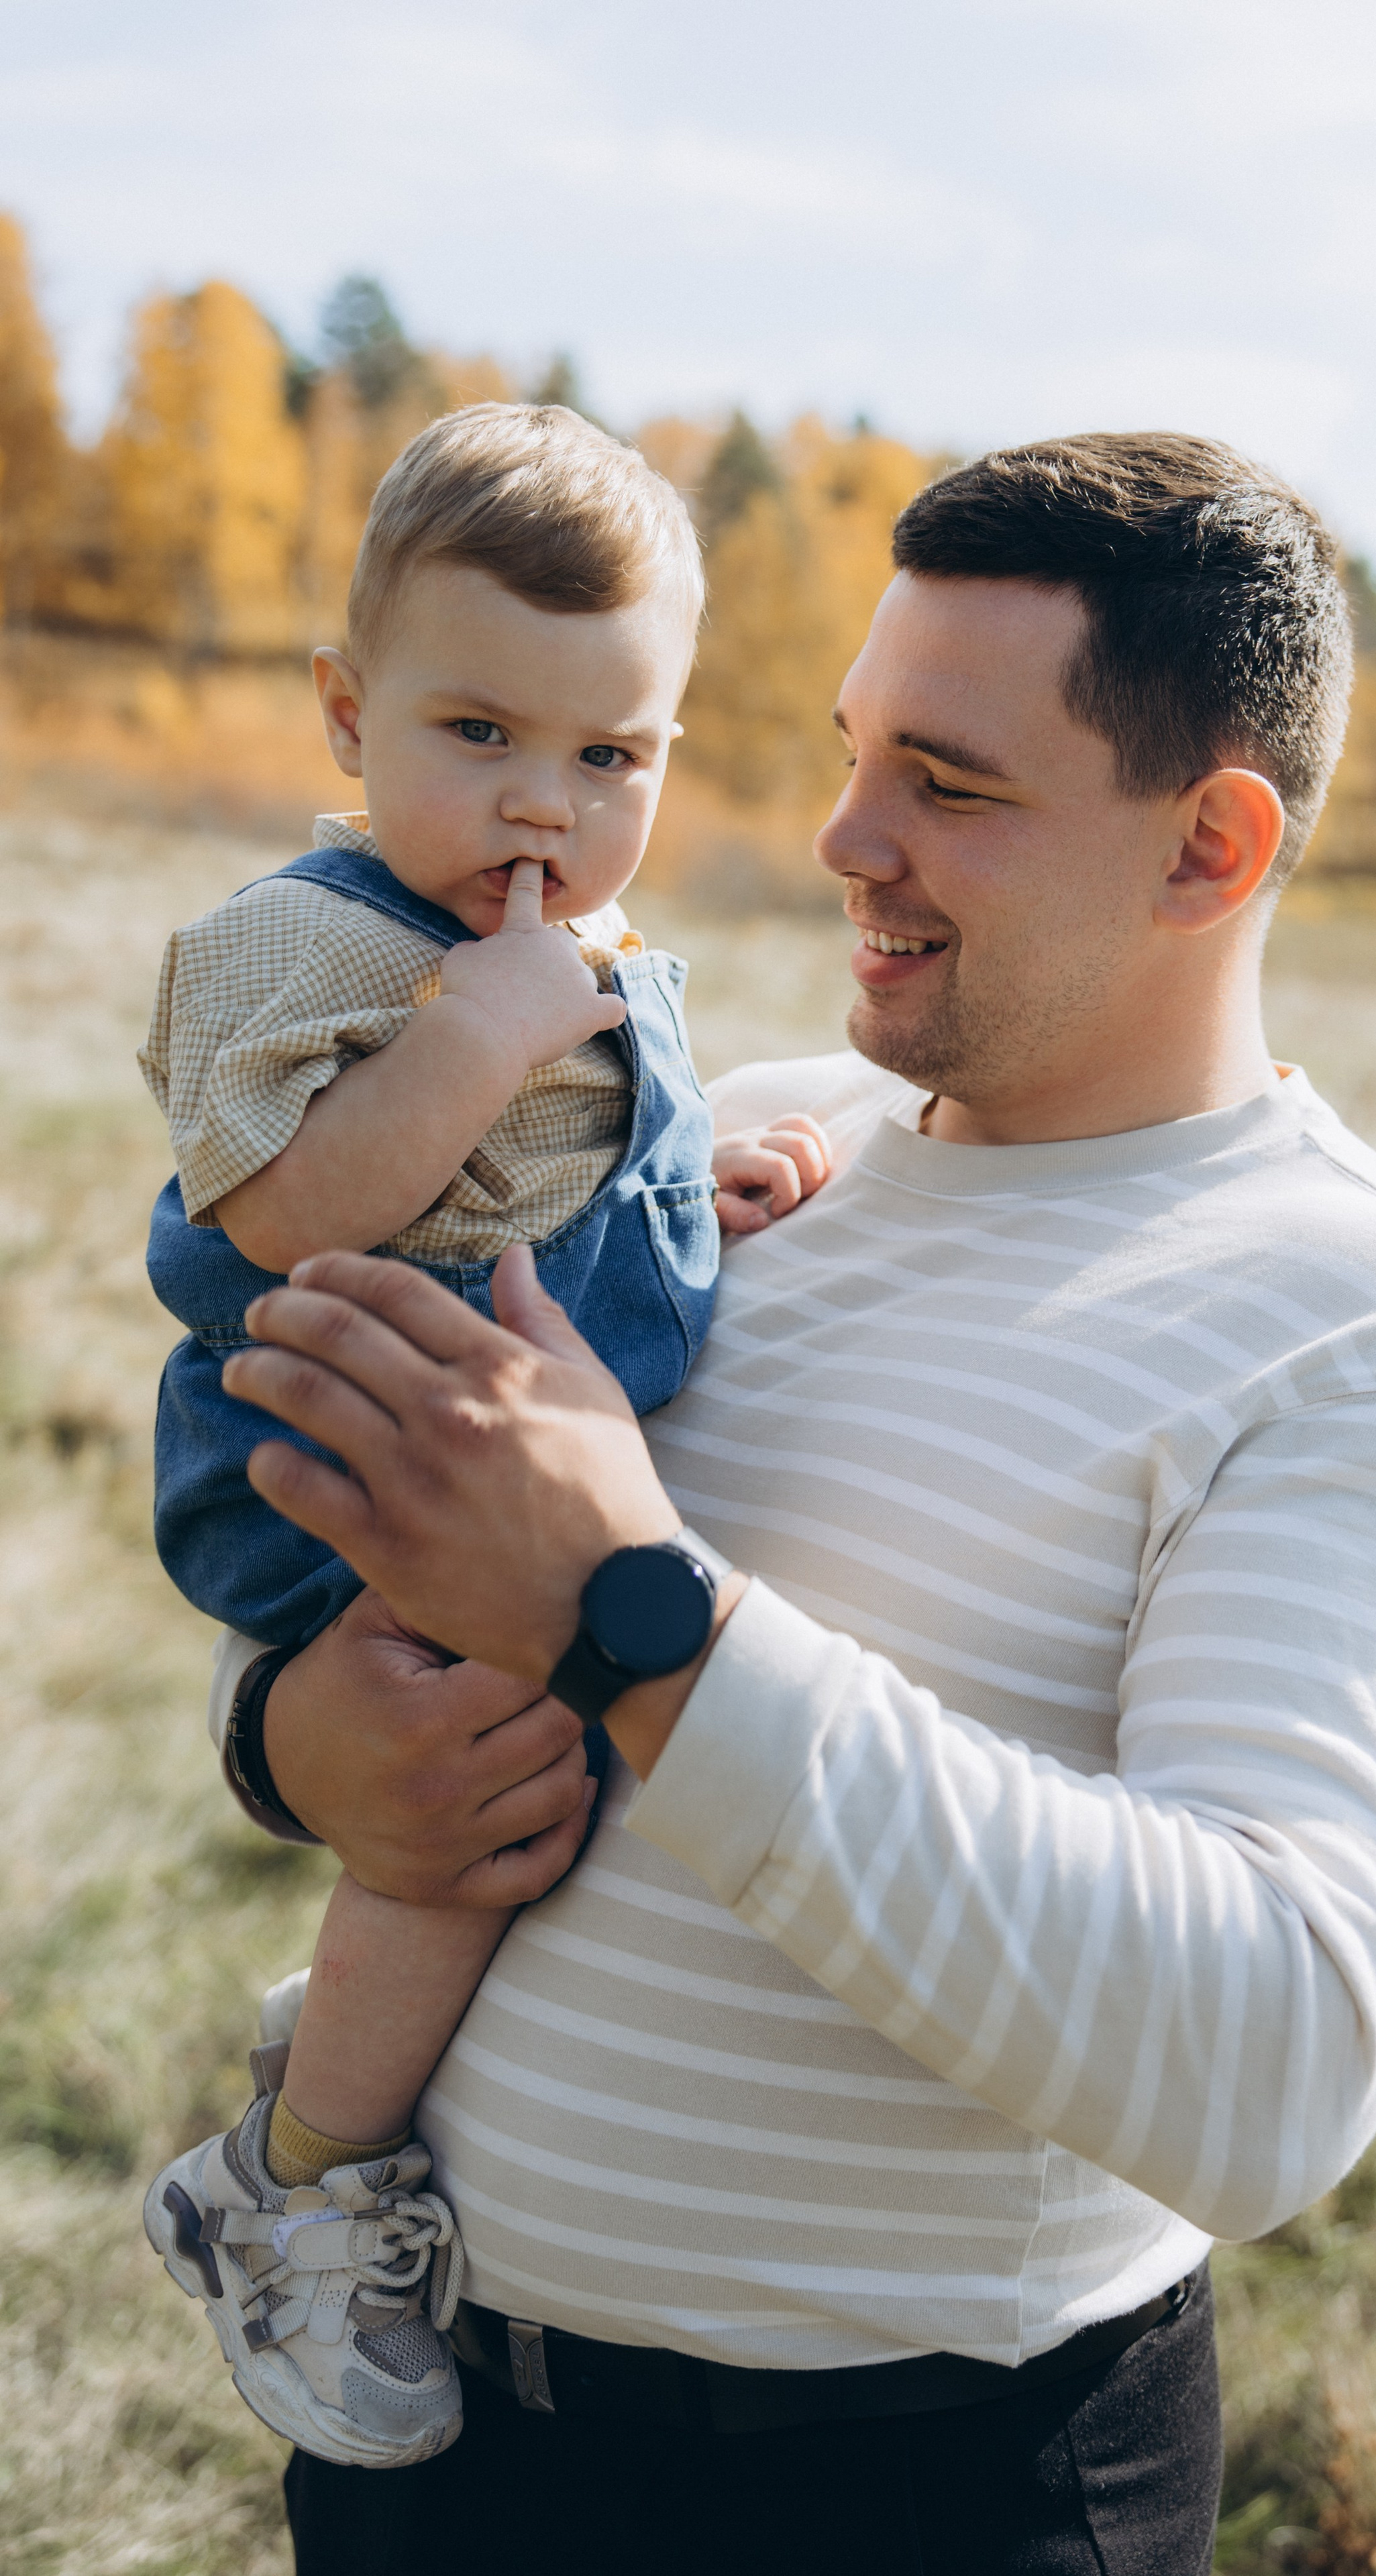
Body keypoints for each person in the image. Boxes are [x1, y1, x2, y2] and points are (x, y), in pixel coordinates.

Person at [209, 435, 1376, 2575]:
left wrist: (636, 1616)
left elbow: (1276, 2069)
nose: (844, 836)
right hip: (439, 2440)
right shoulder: (732, 1145)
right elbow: (365, 1570)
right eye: (856, 753)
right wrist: (299, 1742)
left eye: (948, 783)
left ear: (1211, 847)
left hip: (904, 2497)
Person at [138, 400, 830, 2471]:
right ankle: (295, 2186)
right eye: (478, 734)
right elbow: (288, 1212)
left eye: (611, 757)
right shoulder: (318, 941)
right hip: (350, 1456)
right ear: (349, 715)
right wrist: (475, 1034)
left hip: (477, 1441)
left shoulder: (576, 955)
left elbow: (548, 1192)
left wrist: (693, 1200)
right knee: (481, 1793)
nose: (545, 799)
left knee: (525, 1797)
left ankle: (360, 2048)